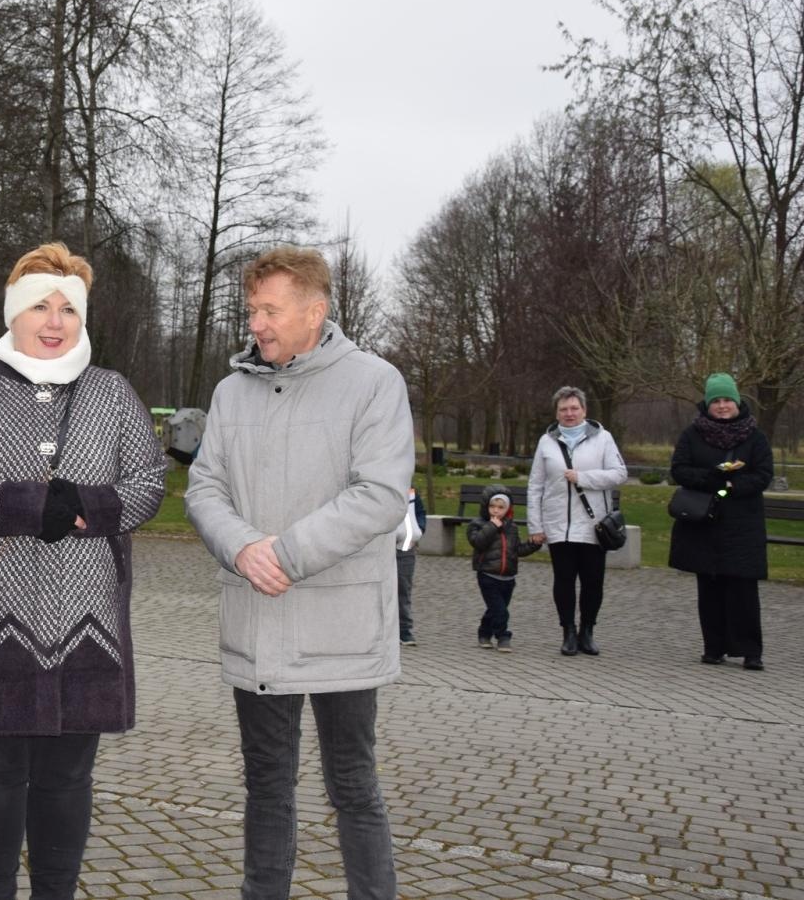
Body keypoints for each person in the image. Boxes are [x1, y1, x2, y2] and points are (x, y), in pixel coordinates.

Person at [0, 241, 166, 900]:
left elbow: (149, 484)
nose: (54, 322)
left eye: (68, 309)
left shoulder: (113, 393)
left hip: (89, 626)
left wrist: (85, 506)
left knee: (67, 780)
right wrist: (30, 505)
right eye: (39, 307)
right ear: (14, 313)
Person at [185, 245, 414, 900]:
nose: (256, 323)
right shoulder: (230, 391)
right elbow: (204, 488)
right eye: (252, 310)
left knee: (353, 786)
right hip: (258, 622)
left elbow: (379, 495)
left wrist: (282, 556)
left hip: (342, 630)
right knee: (266, 786)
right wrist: (242, 548)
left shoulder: (375, 383)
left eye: (270, 310)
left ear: (315, 311)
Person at [668, 373, 774, 671]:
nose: (723, 406)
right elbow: (680, 470)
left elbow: (763, 474)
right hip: (705, 523)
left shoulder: (755, 437)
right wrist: (714, 478)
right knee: (709, 587)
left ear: (737, 402)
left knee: (743, 589)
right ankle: (713, 647)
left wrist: (731, 486)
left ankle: (750, 650)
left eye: (728, 400)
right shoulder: (692, 434)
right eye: (716, 401)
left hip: (743, 524)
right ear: (707, 404)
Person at [526, 386, 627, 657]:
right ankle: (568, 632)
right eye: (563, 409)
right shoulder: (546, 441)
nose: (569, 414)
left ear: (584, 410)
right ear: (556, 412)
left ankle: (587, 631)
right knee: (564, 580)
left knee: (593, 582)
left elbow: (619, 474)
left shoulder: (603, 438)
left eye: (574, 408)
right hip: (558, 524)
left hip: (593, 525)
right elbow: (536, 485)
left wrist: (583, 478)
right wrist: (536, 525)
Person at [467, 487, 543, 652]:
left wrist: (534, 544)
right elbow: (478, 542)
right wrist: (492, 526)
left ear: (508, 509)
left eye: (501, 507)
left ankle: (484, 633)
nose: (496, 510)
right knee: (500, 611)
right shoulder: (478, 524)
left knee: (495, 609)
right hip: (487, 575)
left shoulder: (512, 527)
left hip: (508, 577)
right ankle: (503, 636)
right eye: (492, 506)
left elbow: (517, 550)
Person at [395, 485, 426, 645]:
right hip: (383, 546)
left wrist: (418, 529)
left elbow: (420, 513)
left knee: (403, 589)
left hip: (406, 547)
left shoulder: (411, 492)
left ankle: (404, 629)